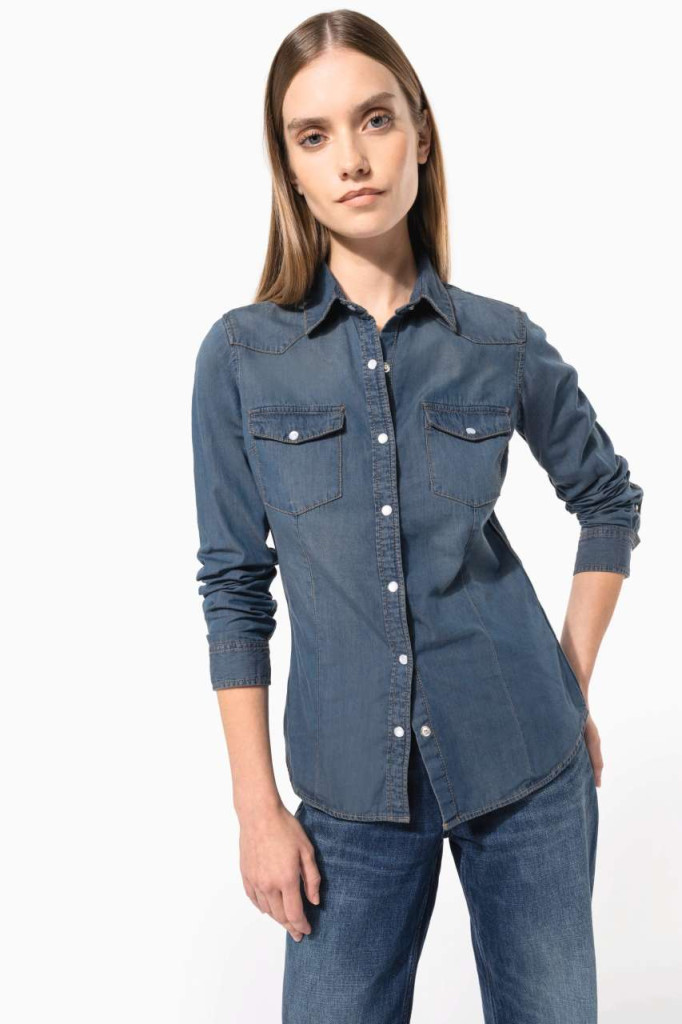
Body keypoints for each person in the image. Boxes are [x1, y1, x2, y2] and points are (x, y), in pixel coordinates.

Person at [190, 11, 643, 1023]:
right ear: (289, 168)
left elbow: (608, 498)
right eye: (314, 136)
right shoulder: (240, 359)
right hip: (349, 795)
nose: (351, 159)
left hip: (525, 765)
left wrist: (567, 681)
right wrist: (256, 809)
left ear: (421, 134)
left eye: (376, 120)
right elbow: (234, 588)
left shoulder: (500, 342)